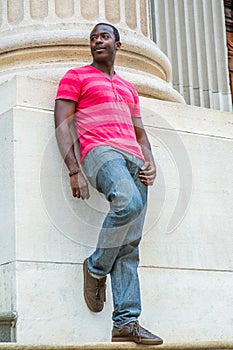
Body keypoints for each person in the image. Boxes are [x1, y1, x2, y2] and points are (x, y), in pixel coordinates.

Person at [54, 22, 163, 346]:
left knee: (129, 246)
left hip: (134, 159)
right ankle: (96, 267)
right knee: (128, 203)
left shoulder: (129, 88)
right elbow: (62, 123)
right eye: (93, 38)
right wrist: (74, 169)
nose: (97, 41)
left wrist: (150, 161)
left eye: (104, 36)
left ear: (118, 44)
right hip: (100, 152)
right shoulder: (76, 77)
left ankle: (126, 322)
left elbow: (140, 133)